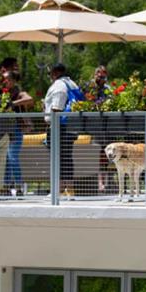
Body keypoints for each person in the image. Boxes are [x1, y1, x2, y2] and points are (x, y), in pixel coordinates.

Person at [43, 63, 83, 197]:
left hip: (59, 125)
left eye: (50, 73)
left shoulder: (59, 86)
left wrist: (51, 125)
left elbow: (57, 107)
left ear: (54, 73)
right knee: (66, 157)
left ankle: (58, 190)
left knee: (57, 157)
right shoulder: (72, 83)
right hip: (71, 125)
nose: (49, 76)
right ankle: (69, 189)